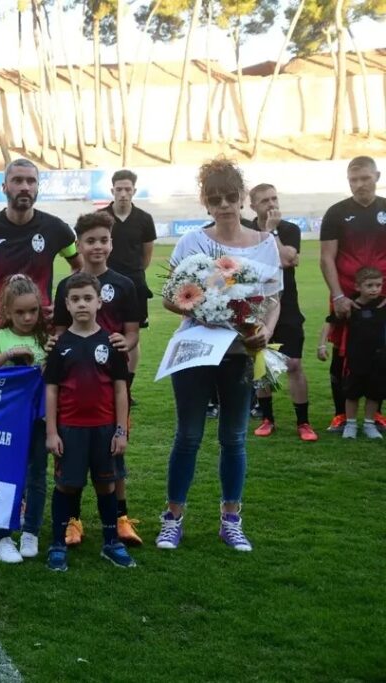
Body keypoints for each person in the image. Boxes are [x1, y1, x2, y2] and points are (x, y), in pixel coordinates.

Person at [155, 158, 282, 553]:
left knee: (234, 437)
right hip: (195, 350)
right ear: (205, 202)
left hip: (241, 352)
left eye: (230, 197)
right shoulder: (192, 243)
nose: (224, 205)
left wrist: (265, 331)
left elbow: (273, 298)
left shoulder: (265, 243)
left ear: (242, 197)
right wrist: (205, 309)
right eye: (215, 199)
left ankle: (231, 520)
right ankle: (172, 519)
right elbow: (171, 298)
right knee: (188, 435)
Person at [52, 211, 141, 548]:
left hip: (110, 380)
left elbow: (132, 333)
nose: (97, 246)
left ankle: (120, 518)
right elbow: (60, 332)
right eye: (90, 241)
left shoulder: (125, 285)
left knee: (114, 451)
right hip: (75, 382)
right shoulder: (67, 286)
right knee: (70, 452)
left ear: (111, 243)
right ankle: (73, 521)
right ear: (79, 245)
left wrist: (123, 344)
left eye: (103, 240)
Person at [43, 272, 134, 572]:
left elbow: (120, 390)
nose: (82, 304)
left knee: (106, 486)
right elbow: (51, 390)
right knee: (67, 486)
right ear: (67, 305)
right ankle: (58, 544)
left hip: (105, 430)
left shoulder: (112, 343)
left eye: (87, 298)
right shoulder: (59, 345)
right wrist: (52, 432)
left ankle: (111, 542)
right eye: (75, 299)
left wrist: (120, 431)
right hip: (70, 430)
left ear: (99, 302)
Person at [0, 158, 82, 355]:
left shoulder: (57, 229)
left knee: (43, 376)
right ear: (4, 187)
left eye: (31, 181)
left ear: (38, 187)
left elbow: (79, 267)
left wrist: (63, 304)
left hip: (41, 330)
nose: (25, 187)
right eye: (17, 180)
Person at [0, 275, 49, 563]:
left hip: (40, 418)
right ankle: (2, 537)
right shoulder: (1, 336)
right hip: (8, 420)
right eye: (20, 312)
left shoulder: (46, 337)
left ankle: (31, 531)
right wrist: (7, 355)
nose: (28, 317)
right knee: (8, 475)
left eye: (33, 310)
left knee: (37, 474)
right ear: (7, 311)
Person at [245, 184, 317, 442]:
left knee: (294, 364)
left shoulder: (288, 229)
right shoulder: (245, 231)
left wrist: (272, 231)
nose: (271, 204)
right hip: (257, 306)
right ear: (253, 206)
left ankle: (303, 422)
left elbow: (287, 259)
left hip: (287, 306)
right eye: (265, 200)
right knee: (262, 363)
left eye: (274, 198)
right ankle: (267, 419)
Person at [319, 156, 386, 432]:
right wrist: (338, 296)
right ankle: (340, 414)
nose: (359, 184)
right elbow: (326, 257)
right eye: (353, 180)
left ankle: (375, 413)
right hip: (346, 294)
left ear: (377, 177)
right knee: (342, 352)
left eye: (365, 178)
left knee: (380, 352)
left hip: (382, 294)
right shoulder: (336, 213)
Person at [102, 169, 156, 393]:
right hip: (104, 285)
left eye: (127, 189)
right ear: (112, 190)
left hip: (135, 286)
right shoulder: (101, 218)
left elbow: (146, 256)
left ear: (134, 191)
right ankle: (105, 384)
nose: (123, 193)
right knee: (104, 332)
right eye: (119, 189)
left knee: (133, 336)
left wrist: (131, 277)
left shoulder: (144, 219)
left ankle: (126, 387)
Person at [331, 266, 386, 439]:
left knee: (374, 394)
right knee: (352, 393)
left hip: (379, 358)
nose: (374, 289)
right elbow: (330, 322)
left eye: (378, 285)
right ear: (357, 287)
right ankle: (351, 425)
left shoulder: (384, 304)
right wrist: (321, 345)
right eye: (369, 285)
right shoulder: (350, 305)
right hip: (355, 358)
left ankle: (370, 424)